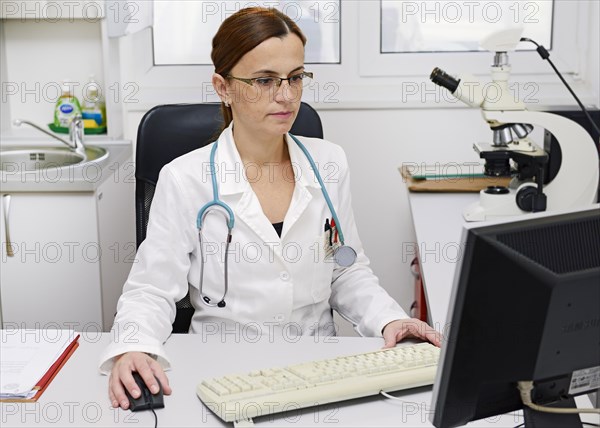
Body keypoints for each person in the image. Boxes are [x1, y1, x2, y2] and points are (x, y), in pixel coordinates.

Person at [99, 7, 441, 410]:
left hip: (318, 369)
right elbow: (152, 289)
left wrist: (390, 319)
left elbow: (347, 270)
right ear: (223, 87)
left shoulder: (329, 163)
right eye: (264, 80)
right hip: (222, 371)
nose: (286, 95)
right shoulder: (184, 179)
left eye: (295, 78)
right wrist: (134, 347)